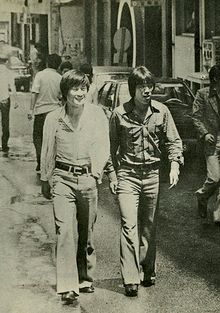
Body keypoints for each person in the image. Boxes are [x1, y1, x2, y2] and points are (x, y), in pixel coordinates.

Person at [109, 66, 183, 297]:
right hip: (128, 176)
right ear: (133, 90)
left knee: (149, 228)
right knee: (129, 226)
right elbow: (110, 149)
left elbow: (174, 141)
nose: (147, 91)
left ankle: (147, 271)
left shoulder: (161, 112)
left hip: (152, 175)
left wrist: (174, 165)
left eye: (149, 86)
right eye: (142, 87)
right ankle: (130, 278)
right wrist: (112, 175)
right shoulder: (120, 114)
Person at [40, 69, 110, 305]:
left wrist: (96, 174)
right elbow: (47, 149)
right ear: (65, 92)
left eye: (83, 88)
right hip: (62, 178)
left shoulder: (97, 115)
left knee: (87, 232)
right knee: (64, 231)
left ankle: (85, 276)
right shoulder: (53, 118)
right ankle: (68, 285)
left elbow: (103, 146)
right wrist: (45, 178)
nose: (80, 93)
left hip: (87, 177)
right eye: (75, 88)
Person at [192, 64, 220, 226]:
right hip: (211, 142)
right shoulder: (202, 95)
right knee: (214, 177)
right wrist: (205, 133)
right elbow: (196, 117)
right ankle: (202, 196)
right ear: (215, 79)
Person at [28, 53, 62, 172]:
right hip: (54, 112)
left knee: (38, 137)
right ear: (58, 65)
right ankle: (50, 162)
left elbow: (34, 92)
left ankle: (40, 161)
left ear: (47, 63)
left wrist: (31, 110)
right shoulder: (59, 78)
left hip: (40, 112)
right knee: (52, 139)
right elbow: (61, 96)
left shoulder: (40, 75)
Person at [0, 55, 18, 155]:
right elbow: (12, 87)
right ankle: (4, 144)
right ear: (6, 61)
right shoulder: (8, 72)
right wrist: (15, 100)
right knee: (5, 122)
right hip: (5, 99)